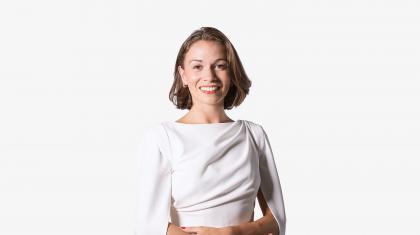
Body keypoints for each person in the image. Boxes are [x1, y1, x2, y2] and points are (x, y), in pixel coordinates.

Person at [134, 27, 286, 235]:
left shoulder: (254, 135)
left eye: (220, 66)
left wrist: (232, 233)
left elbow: (276, 222)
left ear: (232, 72)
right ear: (183, 75)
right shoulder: (163, 138)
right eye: (197, 66)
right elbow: (149, 225)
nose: (209, 75)